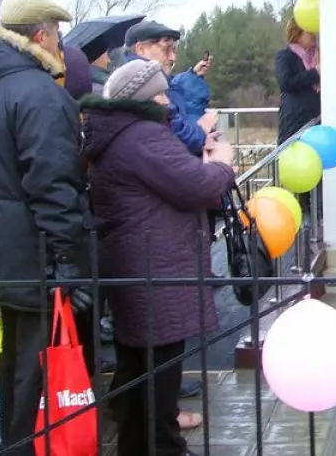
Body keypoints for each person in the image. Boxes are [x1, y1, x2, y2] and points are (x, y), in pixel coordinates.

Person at [0, 0, 95, 455]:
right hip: (35, 250)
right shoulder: (39, 94)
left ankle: (14, 444)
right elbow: (53, 185)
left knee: (15, 363)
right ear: (41, 35)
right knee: (35, 371)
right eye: (56, 35)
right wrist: (68, 260)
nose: (59, 45)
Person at [81, 60, 234, 456]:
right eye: (163, 93)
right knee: (160, 371)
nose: (168, 100)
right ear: (146, 98)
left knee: (137, 367)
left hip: (135, 261)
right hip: (156, 266)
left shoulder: (117, 135)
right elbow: (196, 185)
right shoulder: (144, 137)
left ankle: (137, 445)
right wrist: (222, 163)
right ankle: (164, 447)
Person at [123, 22, 215, 157]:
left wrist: (193, 76)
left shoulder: (147, 83)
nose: (173, 57)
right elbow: (181, 140)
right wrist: (203, 128)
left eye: (174, 50)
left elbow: (175, 92)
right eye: (166, 49)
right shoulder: (145, 91)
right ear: (141, 49)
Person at [273, 17, 320, 144]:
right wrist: (315, 73)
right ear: (296, 33)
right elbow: (286, 83)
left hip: (318, 118)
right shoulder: (285, 56)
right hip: (295, 119)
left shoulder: (320, 54)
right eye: (309, 32)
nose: (313, 35)